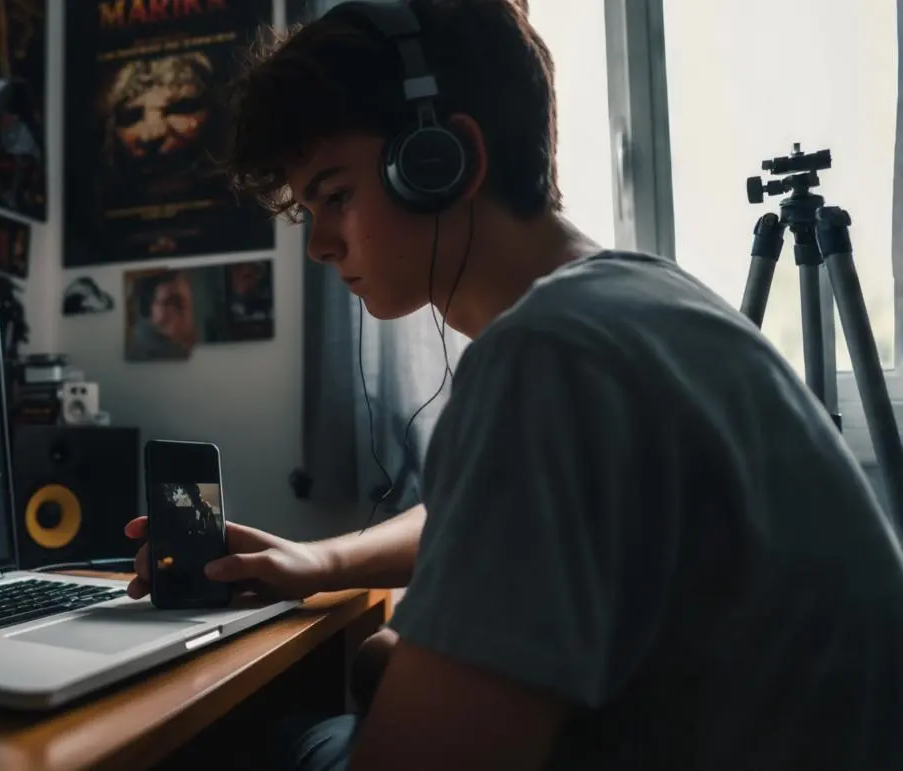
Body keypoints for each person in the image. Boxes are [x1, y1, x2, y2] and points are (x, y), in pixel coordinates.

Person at [123, 1, 903, 770]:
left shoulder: (549, 356)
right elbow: (512, 514)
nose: (320, 245)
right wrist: (321, 563)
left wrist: (393, 668)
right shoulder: (646, 298)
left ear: (443, 160)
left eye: (335, 196)